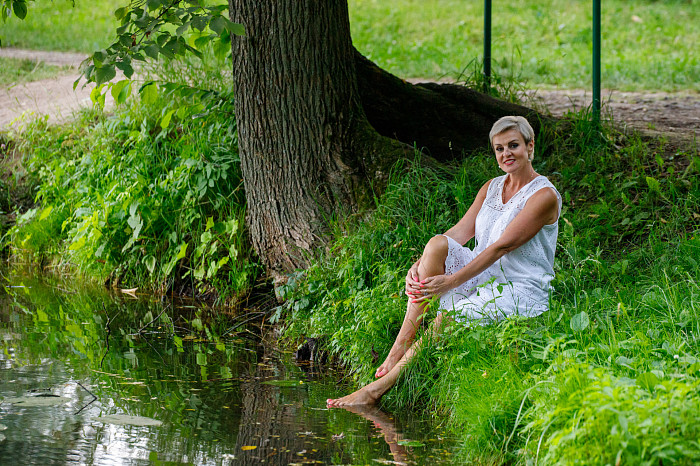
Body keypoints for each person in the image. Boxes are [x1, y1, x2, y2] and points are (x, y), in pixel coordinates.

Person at [327, 116, 561, 407]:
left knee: (448, 317)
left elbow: (502, 247)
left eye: (513, 145)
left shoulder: (543, 195)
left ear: (530, 146)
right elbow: (461, 232)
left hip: (518, 288)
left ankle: (375, 390)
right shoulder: (492, 186)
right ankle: (400, 345)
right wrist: (421, 261)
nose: (506, 154)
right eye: (499, 149)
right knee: (437, 244)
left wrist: (450, 282)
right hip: (482, 274)